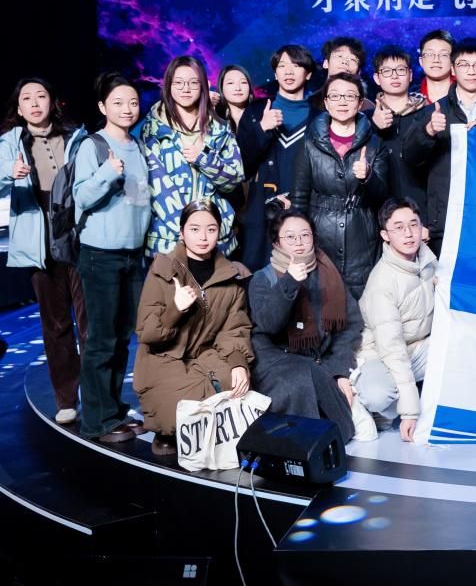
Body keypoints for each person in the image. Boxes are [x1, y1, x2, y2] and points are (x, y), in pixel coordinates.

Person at [132, 200, 254, 455]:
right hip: (163, 357)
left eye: (211, 229)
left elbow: (234, 329)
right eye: (195, 229)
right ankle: (165, 430)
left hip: (205, 356)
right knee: (182, 410)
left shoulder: (230, 277)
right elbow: (147, 332)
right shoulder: (163, 270)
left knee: (239, 388)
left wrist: (238, 363)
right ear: (182, 232)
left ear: (220, 232)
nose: (203, 237)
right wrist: (175, 309)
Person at [0, 78, 87, 424]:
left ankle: (98, 397)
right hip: (39, 240)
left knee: (90, 320)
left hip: (77, 233)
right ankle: (66, 399)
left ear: (53, 101)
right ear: (19, 108)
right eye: (27, 98)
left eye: (41, 96)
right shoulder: (10, 143)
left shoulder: (76, 137)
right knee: (56, 324)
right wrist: (8, 172)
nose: (35, 103)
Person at [73, 73, 151, 443]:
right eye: (118, 103)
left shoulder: (138, 145)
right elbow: (81, 197)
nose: (127, 109)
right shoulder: (93, 145)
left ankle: (114, 409)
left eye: (133, 102)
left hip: (133, 255)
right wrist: (107, 172)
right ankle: (96, 420)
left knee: (122, 338)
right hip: (100, 255)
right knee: (101, 340)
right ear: (103, 106)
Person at [249, 209, 367, 443]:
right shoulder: (263, 278)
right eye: (290, 237)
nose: (299, 243)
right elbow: (269, 324)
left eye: (305, 235)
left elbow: (351, 325)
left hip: (322, 364)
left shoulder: (328, 273)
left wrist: (339, 370)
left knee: (362, 432)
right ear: (276, 243)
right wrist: (290, 281)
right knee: (300, 394)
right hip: (278, 363)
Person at [403, 38, 476, 252]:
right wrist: (428, 131)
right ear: (453, 69)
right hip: (447, 220)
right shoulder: (432, 113)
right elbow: (410, 159)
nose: (471, 71)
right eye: (463, 64)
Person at [291, 73, 389, 300]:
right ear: (326, 102)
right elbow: (299, 197)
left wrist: (368, 177)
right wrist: (298, 241)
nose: (342, 102)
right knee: (322, 303)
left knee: (362, 303)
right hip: (320, 235)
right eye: (335, 96)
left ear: (360, 102)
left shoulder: (375, 144)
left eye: (349, 96)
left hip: (362, 239)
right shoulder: (309, 143)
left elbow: (383, 197)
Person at [352, 199, 438, 441]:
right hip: (380, 354)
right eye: (398, 228)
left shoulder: (428, 261)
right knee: (378, 394)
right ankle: (374, 406)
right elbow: (392, 349)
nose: (408, 233)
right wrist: (410, 412)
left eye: (413, 224)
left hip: (416, 347)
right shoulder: (383, 281)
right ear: (385, 235)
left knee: (463, 342)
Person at [141, 56, 244, 258]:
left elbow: (233, 180)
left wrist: (204, 158)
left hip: (215, 239)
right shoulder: (153, 129)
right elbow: (155, 187)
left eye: (193, 82)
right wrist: (188, 229)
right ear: (168, 85)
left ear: (203, 85)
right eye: (178, 83)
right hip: (168, 241)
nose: (186, 89)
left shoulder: (220, 129)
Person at [236, 44, 315, 270]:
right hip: (260, 214)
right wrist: (262, 129)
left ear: (308, 73)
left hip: (304, 213)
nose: (288, 71)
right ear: (275, 73)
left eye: (296, 65)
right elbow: (240, 166)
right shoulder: (255, 112)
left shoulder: (319, 117)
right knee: (259, 276)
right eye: (282, 66)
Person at [368, 45, 429, 213]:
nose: (394, 76)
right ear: (377, 78)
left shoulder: (428, 115)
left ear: (410, 75)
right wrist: (374, 127)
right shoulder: (366, 119)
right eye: (387, 71)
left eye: (401, 70)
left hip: (420, 209)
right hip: (378, 210)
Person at [309, 37, 374, 112]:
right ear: (326, 63)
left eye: (352, 59)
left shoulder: (367, 108)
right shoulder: (309, 103)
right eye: (340, 56)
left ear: (359, 72)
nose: (345, 62)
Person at [416, 29, 455, 105]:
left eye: (443, 55)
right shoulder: (411, 98)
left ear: (453, 61)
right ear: (421, 61)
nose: (436, 60)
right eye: (429, 54)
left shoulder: (465, 93)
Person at [215, 65, 254, 133]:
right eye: (230, 83)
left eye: (243, 82)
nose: (238, 88)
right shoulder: (215, 121)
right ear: (221, 88)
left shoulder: (262, 115)